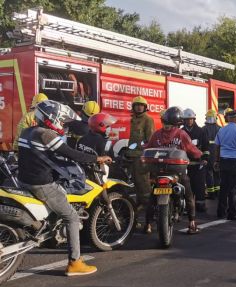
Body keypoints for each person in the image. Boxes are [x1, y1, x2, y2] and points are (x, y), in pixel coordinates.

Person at [17, 100, 112, 276]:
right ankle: (75, 262)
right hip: (41, 184)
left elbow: (42, 156)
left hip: (23, 180)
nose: (62, 124)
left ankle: (50, 233)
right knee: (72, 217)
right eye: (61, 121)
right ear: (51, 118)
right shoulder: (46, 135)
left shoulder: (27, 132)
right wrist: (97, 159)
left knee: (60, 195)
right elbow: (71, 153)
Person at [145, 107, 202, 234]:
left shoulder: (157, 134)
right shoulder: (181, 134)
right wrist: (201, 155)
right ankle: (192, 223)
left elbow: (148, 148)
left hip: (159, 172)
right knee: (188, 194)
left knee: (153, 196)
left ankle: (147, 224)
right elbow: (192, 150)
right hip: (176, 173)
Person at [125, 96, 155, 233]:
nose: (138, 107)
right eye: (136, 105)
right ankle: (134, 221)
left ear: (145, 107)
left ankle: (148, 223)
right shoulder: (132, 120)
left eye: (141, 105)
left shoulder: (148, 120)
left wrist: (143, 154)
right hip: (130, 159)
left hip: (141, 160)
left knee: (145, 193)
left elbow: (149, 141)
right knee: (134, 192)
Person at [182, 108, 210, 213]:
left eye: (191, 119)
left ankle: (200, 205)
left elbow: (206, 146)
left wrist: (206, 158)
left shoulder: (200, 131)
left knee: (199, 185)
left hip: (198, 163)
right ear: (184, 120)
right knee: (186, 186)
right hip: (184, 163)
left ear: (194, 119)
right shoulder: (181, 131)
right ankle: (186, 207)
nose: (189, 121)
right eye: (187, 119)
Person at [202, 109, 221, 199]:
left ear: (207, 118)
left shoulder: (204, 129)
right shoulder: (220, 128)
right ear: (215, 117)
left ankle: (211, 193)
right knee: (217, 173)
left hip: (208, 154)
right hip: (217, 154)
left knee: (209, 174)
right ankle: (218, 192)